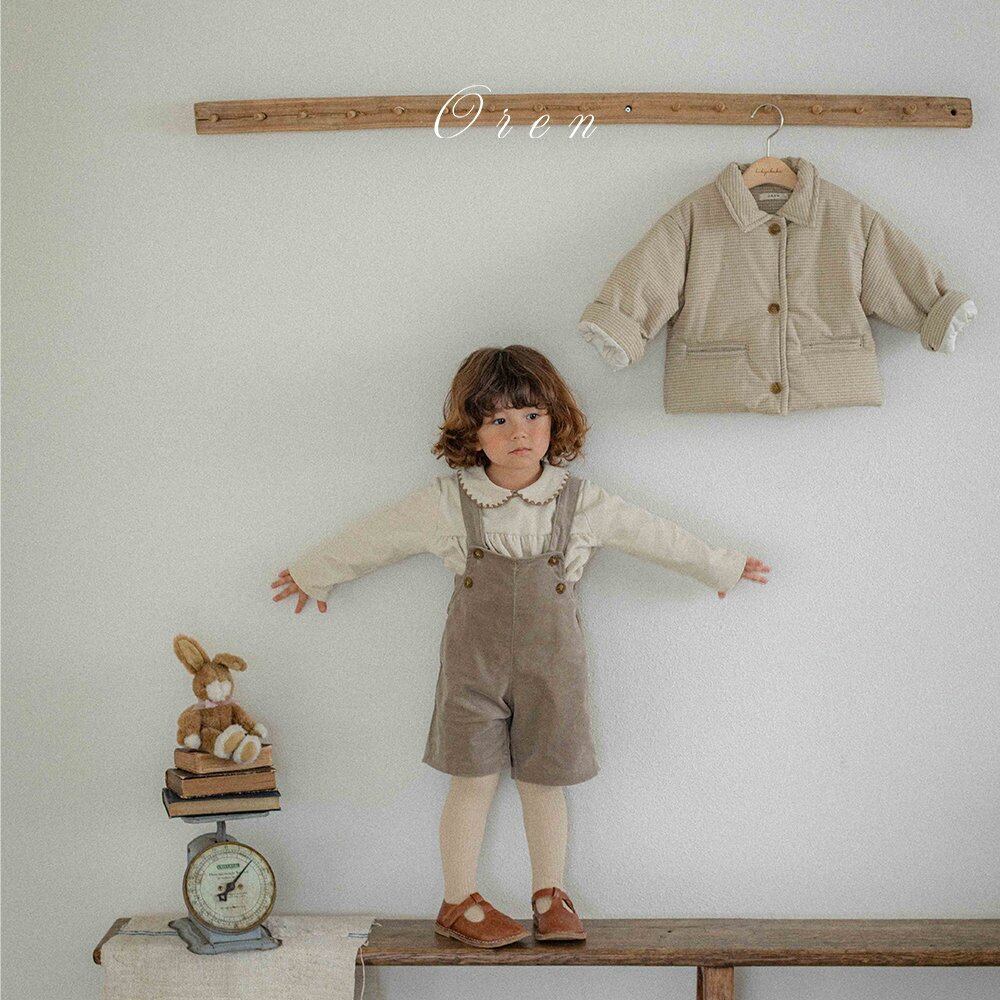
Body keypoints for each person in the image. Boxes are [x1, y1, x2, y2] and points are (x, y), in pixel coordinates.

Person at [272, 345, 770, 948]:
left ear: (555, 420)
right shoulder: (449, 502)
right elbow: (377, 535)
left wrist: (718, 564)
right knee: (472, 781)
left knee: (544, 780)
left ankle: (550, 893)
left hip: (553, 671)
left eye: (533, 415)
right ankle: (457, 899)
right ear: (472, 431)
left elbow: (652, 534)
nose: (519, 433)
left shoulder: (580, 502)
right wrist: (315, 572)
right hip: (472, 672)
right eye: (499, 419)